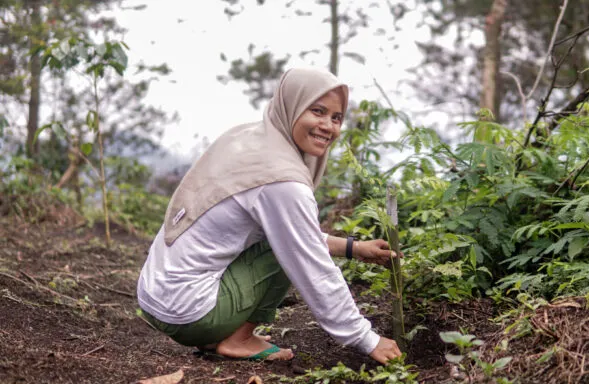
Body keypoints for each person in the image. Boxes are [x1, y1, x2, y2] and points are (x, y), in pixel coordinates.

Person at [137, 67, 403, 363]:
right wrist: (366, 338)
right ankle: (237, 340)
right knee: (282, 247)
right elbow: (310, 262)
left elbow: (292, 228)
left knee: (282, 236)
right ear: (292, 105)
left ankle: (226, 333)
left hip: (156, 293)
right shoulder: (282, 181)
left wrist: (352, 248)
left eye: (336, 117)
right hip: (187, 314)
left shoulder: (247, 139)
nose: (328, 126)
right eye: (317, 111)